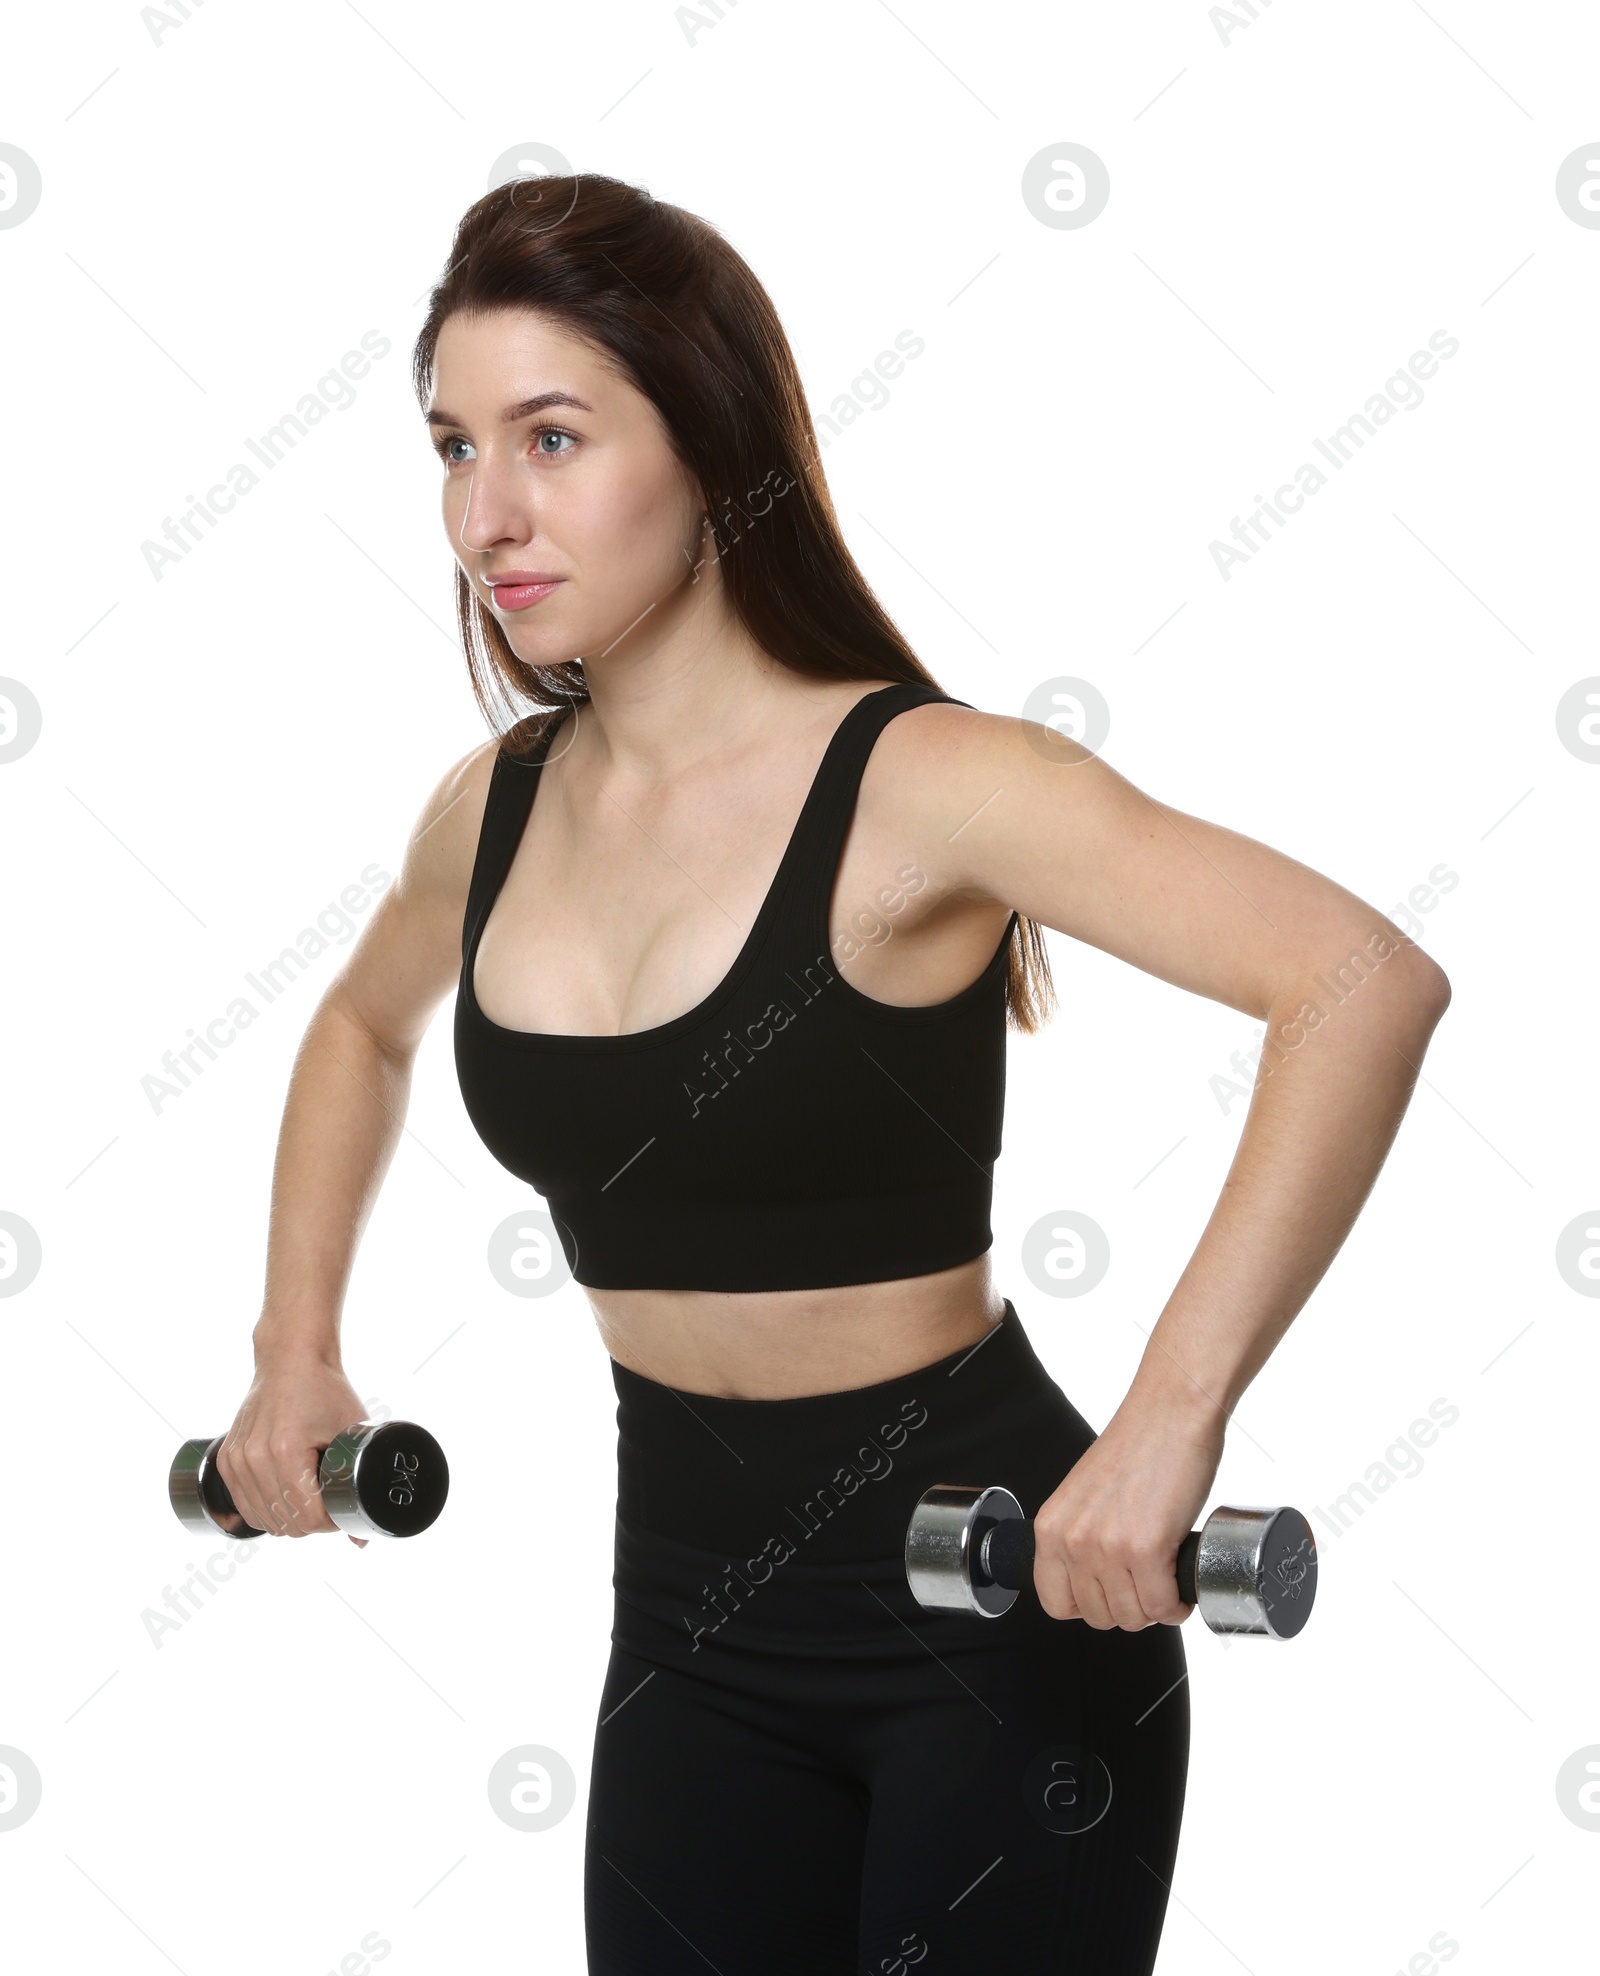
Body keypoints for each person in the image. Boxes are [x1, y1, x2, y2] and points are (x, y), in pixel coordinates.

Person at [214, 173, 1451, 1973]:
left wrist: (1169, 1425)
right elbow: (357, 1027)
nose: (488, 514)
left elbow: (1360, 985)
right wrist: (292, 1346)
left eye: (551, 438)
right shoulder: (491, 812)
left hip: (992, 1612)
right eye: (453, 447)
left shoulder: (930, 784)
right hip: (687, 1636)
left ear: (706, 447)